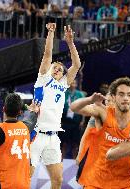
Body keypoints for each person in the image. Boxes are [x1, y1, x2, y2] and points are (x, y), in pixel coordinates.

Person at [70, 77, 130, 189]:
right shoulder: (103, 112)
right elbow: (74, 107)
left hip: (123, 184)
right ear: (114, 97)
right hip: (96, 182)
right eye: (121, 94)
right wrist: (90, 99)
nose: (125, 98)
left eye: (129, 95)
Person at [30, 22, 81, 189]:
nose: (58, 69)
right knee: (25, 177)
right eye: (55, 67)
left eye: (61, 68)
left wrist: (70, 42)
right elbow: (47, 54)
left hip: (53, 138)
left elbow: (77, 65)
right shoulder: (43, 78)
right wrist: (51, 32)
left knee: (57, 180)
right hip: (37, 135)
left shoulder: (64, 83)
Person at [60, 79, 84, 159]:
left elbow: (84, 107)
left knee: (75, 143)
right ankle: (61, 160)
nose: (73, 84)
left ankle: (75, 161)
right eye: (71, 82)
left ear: (76, 84)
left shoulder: (80, 94)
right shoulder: (63, 93)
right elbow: (58, 108)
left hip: (76, 123)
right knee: (63, 143)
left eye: (74, 82)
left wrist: (82, 120)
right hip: (65, 122)